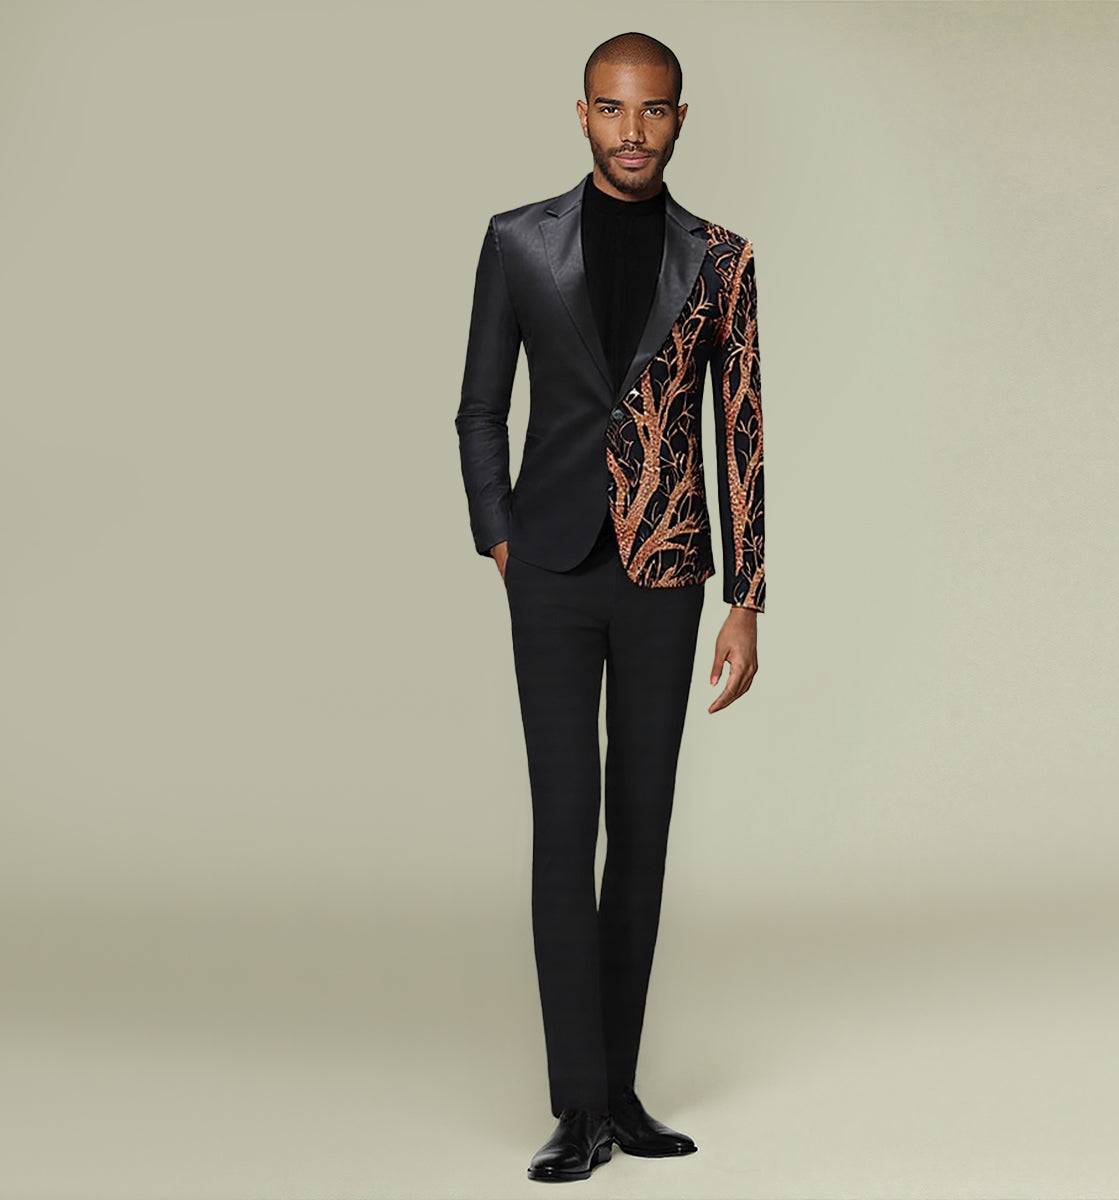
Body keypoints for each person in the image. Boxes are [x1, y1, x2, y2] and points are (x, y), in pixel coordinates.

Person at [455, 30, 766, 1184]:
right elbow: (479, 406)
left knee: (641, 830)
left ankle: (620, 1096)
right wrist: (499, 534)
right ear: (582, 114)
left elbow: (741, 431)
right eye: (613, 108)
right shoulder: (518, 242)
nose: (634, 131)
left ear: (681, 118)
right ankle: (576, 1105)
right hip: (548, 567)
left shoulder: (721, 259)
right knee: (563, 827)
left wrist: (747, 596)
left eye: (655, 110)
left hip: (667, 574)